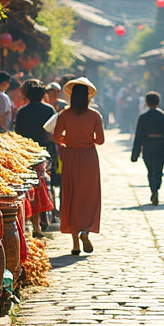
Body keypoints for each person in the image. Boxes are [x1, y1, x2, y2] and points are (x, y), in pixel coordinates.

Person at [53, 77, 105, 255]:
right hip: (89, 157)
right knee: (89, 196)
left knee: (71, 195)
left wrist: (70, 139)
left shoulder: (64, 114)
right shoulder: (95, 115)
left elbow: (56, 137)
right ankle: (86, 231)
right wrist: (86, 139)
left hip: (71, 156)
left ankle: (75, 244)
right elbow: (100, 140)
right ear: (88, 97)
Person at [14, 80, 55, 235]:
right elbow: (52, 131)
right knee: (42, 185)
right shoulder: (49, 109)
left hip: (27, 153)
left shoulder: (22, 111)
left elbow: (18, 134)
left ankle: (35, 222)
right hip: (44, 151)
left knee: (32, 188)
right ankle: (42, 220)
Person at [131, 92, 164, 204]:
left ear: (146, 103)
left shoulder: (143, 117)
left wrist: (135, 154)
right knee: (158, 170)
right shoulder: (163, 116)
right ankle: (156, 188)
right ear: (158, 102)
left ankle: (153, 189)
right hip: (160, 145)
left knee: (150, 170)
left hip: (147, 145)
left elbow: (138, 137)